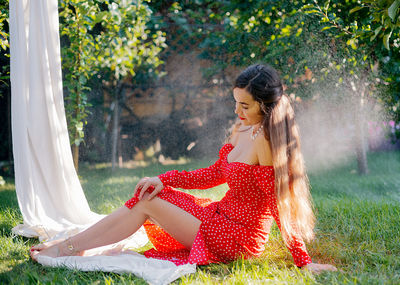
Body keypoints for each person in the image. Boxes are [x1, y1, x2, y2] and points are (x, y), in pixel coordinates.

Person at [31, 64, 337, 274]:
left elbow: (276, 203)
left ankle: (69, 248)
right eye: (236, 102)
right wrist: (163, 178)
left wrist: (303, 260)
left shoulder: (266, 143)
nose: (237, 111)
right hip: (218, 217)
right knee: (148, 192)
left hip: (238, 238)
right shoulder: (242, 129)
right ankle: (73, 246)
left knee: (146, 202)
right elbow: (211, 175)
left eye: (245, 106)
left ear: (264, 106)